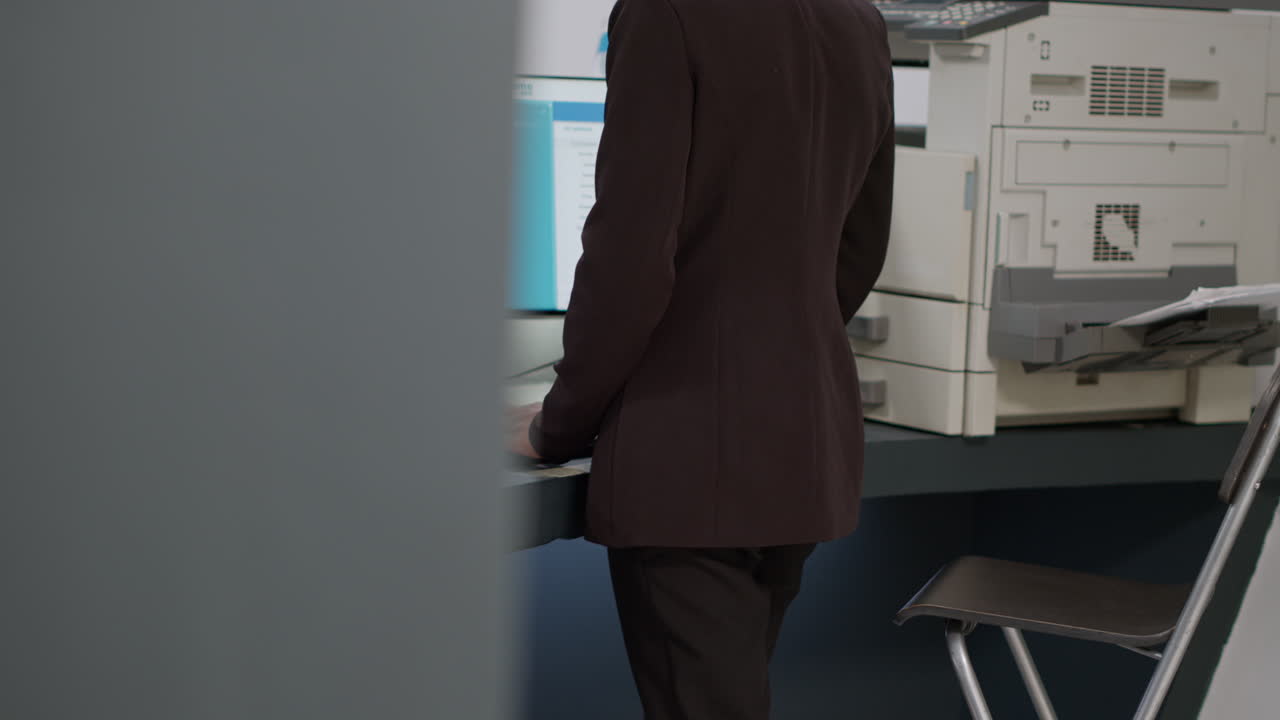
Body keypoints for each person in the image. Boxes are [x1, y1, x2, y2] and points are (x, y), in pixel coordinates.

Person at [509, 0, 894, 717]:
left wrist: (554, 427)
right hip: (801, 446)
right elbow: (860, 243)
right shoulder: (858, 19)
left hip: (690, 456)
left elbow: (629, 259)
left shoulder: (667, 12)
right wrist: (771, 352)